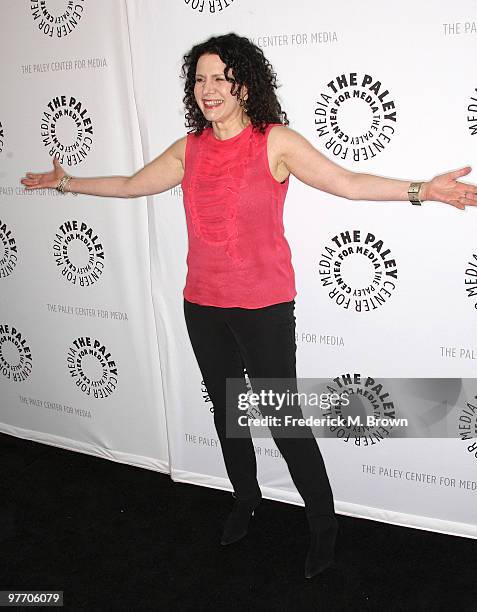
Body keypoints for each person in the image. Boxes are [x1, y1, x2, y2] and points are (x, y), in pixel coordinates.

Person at [21, 33, 477, 579]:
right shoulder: (189, 149)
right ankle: (245, 499)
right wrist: (67, 182)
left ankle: (324, 524)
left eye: (221, 77)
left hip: (262, 308)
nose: (209, 89)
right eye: (200, 79)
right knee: (226, 412)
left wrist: (423, 190)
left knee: (284, 421)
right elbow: (129, 184)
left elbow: (348, 183)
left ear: (244, 85)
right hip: (203, 306)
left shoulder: (274, 141)